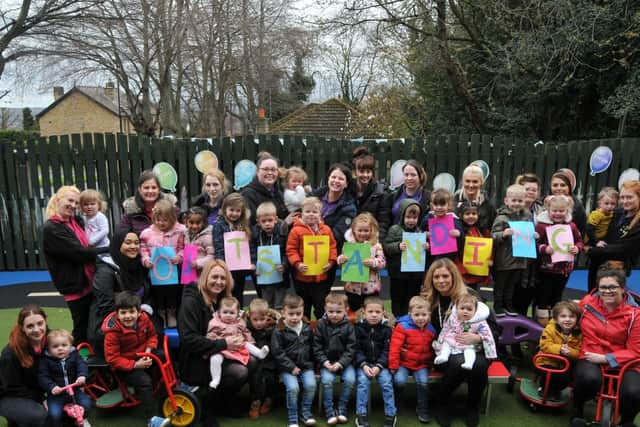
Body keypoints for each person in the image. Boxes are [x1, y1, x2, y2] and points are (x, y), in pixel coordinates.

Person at [421, 258, 498, 427]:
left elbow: (493, 327)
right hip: (444, 349)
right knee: (458, 364)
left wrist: (478, 338)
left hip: (475, 346)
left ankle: (472, 406)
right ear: (431, 279)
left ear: (454, 276)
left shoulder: (471, 297)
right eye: (436, 277)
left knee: (478, 365)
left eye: (445, 276)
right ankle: (442, 402)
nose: (441, 281)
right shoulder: (428, 298)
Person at [178, 259, 253, 426]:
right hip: (195, 360)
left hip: (219, 352)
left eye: (223, 278)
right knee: (239, 372)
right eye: (214, 277)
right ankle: (207, 407)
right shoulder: (192, 301)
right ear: (204, 277)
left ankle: (223, 402)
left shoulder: (222, 300)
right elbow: (188, 339)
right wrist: (224, 343)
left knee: (253, 361)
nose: (219, 282)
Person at [571, 269, 640, 427]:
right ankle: (578, 411)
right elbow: (569, 316)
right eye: (603, 287)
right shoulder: (588, 303)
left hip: (627, 361)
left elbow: (636, 351)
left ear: (623, 288)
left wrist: (607, 359)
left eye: (612, 287)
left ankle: (627, 420)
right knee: (588, 380)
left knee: (634, 392)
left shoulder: (635, 315)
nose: (607, 291)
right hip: (591, 353)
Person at [43, 185, 107, 343]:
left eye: (76, 203)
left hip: (89, 279)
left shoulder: (75, 221)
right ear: (58, 199)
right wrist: (109, 249)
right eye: (70, 200)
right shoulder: (53, 228)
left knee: (93, 324)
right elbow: (79, 253)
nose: (73, 205)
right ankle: (79, 361)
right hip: (75, 285)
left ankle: (90, 357)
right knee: (81, 326)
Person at [102, 291, 170, 427]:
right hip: (124, 366)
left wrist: (148, 350)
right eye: (123, 312)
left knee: (163, 355)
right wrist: (135, 365)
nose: (127, 316)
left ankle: (169, 388)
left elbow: (152, 335)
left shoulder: (144, 319)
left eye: (131, 312)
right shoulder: (112, 334)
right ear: (117, 314)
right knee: (144, 381)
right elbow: (112, 359)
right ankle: (151, 419)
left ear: (139, 312)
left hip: (143, 354)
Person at [88, 230, 156, 355]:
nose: (133, 247)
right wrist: (133, 320)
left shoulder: (140, 266)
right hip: (115, 332)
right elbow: (106, 307)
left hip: (137, 325)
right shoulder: (106, 271)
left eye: (136, 243)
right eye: (128, 243)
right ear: (117, 244)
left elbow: (147, 296)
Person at [535, 195, 583, 326]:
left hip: (563, 269)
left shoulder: (571, 226)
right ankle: (542, 324)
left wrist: (577, 249)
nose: (557, 214)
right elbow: (535, 244)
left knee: (557, 296)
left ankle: (555, 322)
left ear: (567, 211)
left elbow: (579, 240)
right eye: (554, 211)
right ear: (548, 210)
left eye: (561, 211)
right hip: (546, 269)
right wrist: (545, 248)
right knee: (543, 296)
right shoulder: (541, 226)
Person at [286, 197, 337, 319]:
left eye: (315, 212)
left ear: (320, 214)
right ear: (302, 213)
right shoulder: (295, 230)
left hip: (321, 277)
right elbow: (291, 250)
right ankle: (305, 331)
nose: (311, 214)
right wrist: (297, 264)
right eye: (308, 211)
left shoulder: (326, 230)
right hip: (302, 278)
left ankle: (322, 330)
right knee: (304, 307)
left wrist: (331, 262)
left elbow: (332, 246)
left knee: (320, 306)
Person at [271, 294, 317, 427]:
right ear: (283, 313)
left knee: (310, 385)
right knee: (293, 388)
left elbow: (313, 346)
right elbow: (278, 353)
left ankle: (305, 413)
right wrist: (291, 367)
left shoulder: (307, 327)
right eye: (291, 314)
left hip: (306, 366)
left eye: (298, 313)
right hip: (287, 368)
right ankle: (292, 418)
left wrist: (312, 363)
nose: (295, 317)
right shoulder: (279, 330)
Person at [388, 296, 436, 423]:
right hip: (404, 363)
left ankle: (422, 408)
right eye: (417, 315)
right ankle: (397, 403)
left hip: (421, 364)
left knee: (423, 382)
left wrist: (431, 363)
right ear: (410, 314)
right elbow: (395, 347)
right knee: (399, 381)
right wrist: (393, 365)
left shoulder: (431, 329)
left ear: (429, 314)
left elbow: (432, 349)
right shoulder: (402, 327)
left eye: (424, 315)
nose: (421, 318)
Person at [140, 199, 186, 328]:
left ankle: (171, 313)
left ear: (172, 218)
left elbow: (184, 247)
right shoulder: (147, 234)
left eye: (165, 220)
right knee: (158, 292)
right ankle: (161, 314)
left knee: (172, 291)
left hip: (173, 271)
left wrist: (179, 257)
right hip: (156, 272)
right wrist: (146, 260)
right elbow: (143, 249)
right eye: (158, 220)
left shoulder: (180, 231)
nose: (161, 223)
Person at [0, 305, 48, 427]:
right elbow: (12, 387)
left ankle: (17, 420)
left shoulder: (52, 340)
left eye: (40, 323)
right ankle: (16, 416)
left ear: (45, 321)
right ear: (22, 328)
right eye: (30, 326)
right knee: (38, 416)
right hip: (8, 394)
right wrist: (41, 399)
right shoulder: (10, 354)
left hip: (33, 389)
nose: (37, 329)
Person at [587, 180, 640, 291]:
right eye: (622, 197)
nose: (625, 201)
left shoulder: (637, 221)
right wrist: (591, 243)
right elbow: (596, 229)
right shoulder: (617, 212)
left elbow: (624, 248)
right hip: (597, 263)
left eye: (629, 197)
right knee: (592, 298)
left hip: (616, 268)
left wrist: (593, 250)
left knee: (608, 300)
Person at [206, 296, 268, 389]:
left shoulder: (239, 322)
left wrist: (251, 341)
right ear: (219, 312)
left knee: (247, 344)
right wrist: (217, 342)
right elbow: (211, 334)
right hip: (222, 348)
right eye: (225, 312)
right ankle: (216, 379)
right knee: (215, 359)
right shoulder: (215, 322)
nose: (228, 315)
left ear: (237, 313)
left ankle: (259, 353)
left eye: (231, 313)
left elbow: (246, 332)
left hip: (237, 346)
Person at [312, 293, 356, 425]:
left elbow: (351, 348)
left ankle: (341, 409)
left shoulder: (349, 326)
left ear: (346, 310)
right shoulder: (321, 324)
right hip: (327, 362)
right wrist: (325, 362)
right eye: (330, 311)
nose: (334, 315)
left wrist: (341, 363)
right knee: (327, 381)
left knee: (350, 379)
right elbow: (316, 347)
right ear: (325, 309)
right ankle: (329, 411)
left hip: (344, 363)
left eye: (338, 311)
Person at [353, 296, 397, 427]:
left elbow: (387, 350)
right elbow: (356, 349)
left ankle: (391, 414)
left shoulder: (387, 329)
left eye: (377, 312)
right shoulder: (358, 328)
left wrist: (379, 366)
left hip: (381, 365)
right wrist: (363, 365)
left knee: (386, 384)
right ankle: (361, 414)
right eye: (370, 312)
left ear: (383, 312)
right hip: (364, 365)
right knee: (362, 383)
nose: (374, 315)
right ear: (364, 312)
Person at [491, 184, 533, 317]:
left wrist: (534, 235)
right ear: (506, 201)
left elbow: (528, 235)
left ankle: (508, 304)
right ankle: (498, 305)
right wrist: (503, 234)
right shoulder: (501, 218)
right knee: (500, 285)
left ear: (524, 201)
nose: (517, 203)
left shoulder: (526, 216)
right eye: (513, 200)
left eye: (520, 201)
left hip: (520, 258)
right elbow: (493, 235)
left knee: (512, 285)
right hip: (503, 259)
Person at [38, 329, 92, 427]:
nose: (60, 348)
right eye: (55, 346)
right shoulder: (46, 360)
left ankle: (82, 418)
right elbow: (43, 376)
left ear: (70, 345)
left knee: (87, 404)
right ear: (49, 349)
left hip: (74, 390)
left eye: (64, 345)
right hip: (57, 394)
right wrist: (52, 387)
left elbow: (81, 365)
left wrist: (81, 375)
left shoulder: (74, 355)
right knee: (54, 414)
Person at [383, 199, 427, 317]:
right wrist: (398, 246)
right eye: (408, 217)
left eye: (414, 218)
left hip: (414, 274)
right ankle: (398, 318)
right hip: (397, 273)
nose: (411, 221)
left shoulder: (419, 232)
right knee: (397, 297)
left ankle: (411, 317)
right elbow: (386, 246)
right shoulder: (394, 229)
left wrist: (426, 246)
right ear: (402, 215)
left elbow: (422, 251)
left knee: (412, 296)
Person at [337, 212, 386, 312]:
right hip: (352, 288)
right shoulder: (349, 245)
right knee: (353, 312)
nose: (363, 233)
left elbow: (382, 262)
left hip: (371, 288)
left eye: (366, 230)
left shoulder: (376, 246)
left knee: (371, 311)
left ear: (371, 230)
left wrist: (373, 263)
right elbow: (343, 262)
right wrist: (340, 260)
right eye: (360, 230)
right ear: (354, 230)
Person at [212, 193, 255, 305]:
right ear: (225, 209)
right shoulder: (219, 225)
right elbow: (219, 247)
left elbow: (250, 246)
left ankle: (238, 315)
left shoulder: (245, 225)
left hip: (241, 269)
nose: (234, 213)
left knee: (238, 293)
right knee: (225, 294)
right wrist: (222, 265)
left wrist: (252, 262)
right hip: (226, 268)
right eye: (231, 210)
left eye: (238, 211)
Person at [434, 293, 496, 370]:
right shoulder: (453, 318)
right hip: (453, 340)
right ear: (456, 308)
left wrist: (491, 354)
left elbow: (488, 336)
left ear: (475, 311)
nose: (465, 311)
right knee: (446, 344)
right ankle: (443, 356)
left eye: (469, 309)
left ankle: (469, 363)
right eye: (462, 308)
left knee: (470, 350)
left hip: (468, 344)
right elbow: (445, 329)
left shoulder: (479, 322)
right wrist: (440, 343)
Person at [536, 300, 582, 399]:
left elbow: (579, 351)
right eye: (563, 316)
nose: (567, 319)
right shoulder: (550, 329)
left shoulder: (578, 334)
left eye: (572, 316)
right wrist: (559, 349)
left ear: (577, 319)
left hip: (564, 364)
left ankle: (555, 390)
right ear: (556, 319)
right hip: (546, 361)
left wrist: (570, 352)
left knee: (566, 379)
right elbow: (545, 345)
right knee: (549, 374)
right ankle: (543, 388)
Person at [250, 201, 289, 309]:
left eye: (270, 220)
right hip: (264, 278)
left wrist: (284, 265)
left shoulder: (282, 232)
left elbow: (287, 250)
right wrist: (254, 265)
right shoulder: (255, 234)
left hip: (280, 276)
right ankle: (268, 325)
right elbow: (252, 252)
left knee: (280, 305)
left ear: (276, 219)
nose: (267, 223)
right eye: (264, 221)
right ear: (258, 222)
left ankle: (280, 325)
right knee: (267, 305)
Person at [313, 163, 358, 253]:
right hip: (306, 247)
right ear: (328, 178)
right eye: (333, 177)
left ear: (346, 184)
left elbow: (337, 235)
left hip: (330, 252)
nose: (336, 181)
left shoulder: (349, 209)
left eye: (341, 179)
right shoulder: (313, 197)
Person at [245, 298, 278, 419]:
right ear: (250, 316)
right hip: (254, 361)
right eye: (255, 320)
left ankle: (269, 399)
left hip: (270, 360)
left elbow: (276, 346)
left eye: (262, 319)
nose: (259, 323)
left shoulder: (272, 329)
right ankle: (255, 402)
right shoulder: (246, 328)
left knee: (271, 378)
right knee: (256, 378)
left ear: (268, 317)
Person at [119, 170, 178, 234]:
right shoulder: (131, 211)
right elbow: (122, 235)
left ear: (159, 190)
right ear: (139, 189)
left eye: (154, 187)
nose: (150, 191)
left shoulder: (171, 207)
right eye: (146, 188)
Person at [351, 146, 390, 240]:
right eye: (361, 171)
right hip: (351, 238)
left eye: (368, 172)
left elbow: (383, 223)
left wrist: (376, 241)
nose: (365, 175)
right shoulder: (348, 189)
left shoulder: (381, 193)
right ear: (355, 172)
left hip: (371, 239)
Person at [421, 189, 464, 266]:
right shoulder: (427, 219)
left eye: (442, 204)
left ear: (449, 205)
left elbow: (462, 240)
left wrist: (458, 234)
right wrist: (424, 236)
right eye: (436, 204)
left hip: (449, 258)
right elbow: (419, 234)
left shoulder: (454, 220)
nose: (439, 207)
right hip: (431, 259)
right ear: (431, 205)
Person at [241, 154, 289, 224]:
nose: (270, 173)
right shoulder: (248, 195)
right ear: (257, 172)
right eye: (265, 169)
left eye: (273, 170)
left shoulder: (280, 194)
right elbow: (253, 225)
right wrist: (284, 224)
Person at [456, 201, 491, 290]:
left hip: (478, 272)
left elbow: (489, 248)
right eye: (467, 214)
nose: (471, 216)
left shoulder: (483, 231)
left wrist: (490, 259)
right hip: (462, 271)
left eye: (474, 213)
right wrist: (460, 268)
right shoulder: (459, 231)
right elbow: (455, 252)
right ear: (461, 215)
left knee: (476, 296)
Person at [453, 164, 496, 236]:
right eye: (467, 181)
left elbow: (493, 230)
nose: (471, 185)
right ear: (463, 181)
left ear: (481, 182)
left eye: (475, 181)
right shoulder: (453, 202)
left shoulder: (488, 205)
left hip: (481, 245)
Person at [388, 159, 430, 226]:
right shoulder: (393, 195)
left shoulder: (429, 198)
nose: (409, 178)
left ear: (420, 176)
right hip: (396, 235)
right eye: (406, 175)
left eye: (413, 175)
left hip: (418, 235)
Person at [548, 170, 587, 235]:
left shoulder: (577, 207)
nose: (559, 188)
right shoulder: (544, 202)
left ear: (569, 187)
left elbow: (580, 232)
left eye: (563, 185)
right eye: (555, 185)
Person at [80, 189, 111, 262]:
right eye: (86, 204)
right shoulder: (84, 218)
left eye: (92, 204)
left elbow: (105, 231)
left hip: (103, 248)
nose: (89, 207)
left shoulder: (100, 216)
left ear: (99, 205)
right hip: (91, 249)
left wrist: (91, 241)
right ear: (81, 206)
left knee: (103, 263)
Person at [183, 207, 215, 274]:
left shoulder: (207, 236)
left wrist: (198, 263)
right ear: (186, 222)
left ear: (203, 223)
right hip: (189, 273)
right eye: (191, 223)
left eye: (198, 223)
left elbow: (212, 256)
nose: (194, 226)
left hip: (203, 274)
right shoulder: (185, 234)